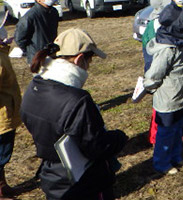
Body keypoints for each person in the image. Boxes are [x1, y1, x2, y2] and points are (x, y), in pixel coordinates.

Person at [20, 28, 128, 200]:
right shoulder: (78, 100)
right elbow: (96, 147)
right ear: (79, 59)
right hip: (84, 183)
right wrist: (119, 137)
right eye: (89, 60)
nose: (89, 66)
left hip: (52, 177)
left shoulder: (34, 86)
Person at [144, 0, 183, 175]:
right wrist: (149, 87)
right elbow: (153, 75)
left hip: (180, 95)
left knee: (178, 129)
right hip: (168, 99)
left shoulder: (180, 42)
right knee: (166, 132)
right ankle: (162, 163)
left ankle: (176, 157)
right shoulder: (167, 48)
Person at [141, 0, 176, 145]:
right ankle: (156, 137)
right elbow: (152, 55)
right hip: (161, 74)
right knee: (161, 108)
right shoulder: (156, 25)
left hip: (172, 74)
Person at [14, 0, 60, 65]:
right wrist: (31, 52)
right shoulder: (30, 16)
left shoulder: (53, 12)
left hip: (52, 55)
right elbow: (19, 38)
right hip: (37, 58)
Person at [0, 28, 21, 200]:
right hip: (1, 118)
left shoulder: (2, 54)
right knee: (1, 153)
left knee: (4, 154)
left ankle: (2, 185)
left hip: (8, 114)